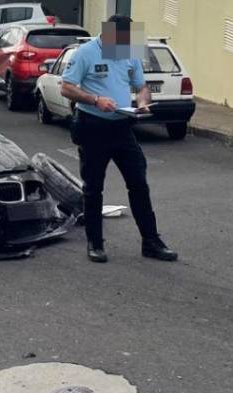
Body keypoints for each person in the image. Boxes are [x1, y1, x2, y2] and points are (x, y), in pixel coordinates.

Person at [60, 14, 178, 264]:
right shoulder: (86, 53)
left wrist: (143, 101)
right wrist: (95, 100)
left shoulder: (129, 52)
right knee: (93, 187)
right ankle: (95, 243)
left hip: (122, 126)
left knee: (138, 183)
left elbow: (141, 85)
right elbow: (66, 87)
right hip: (93, 125)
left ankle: (151, 241)